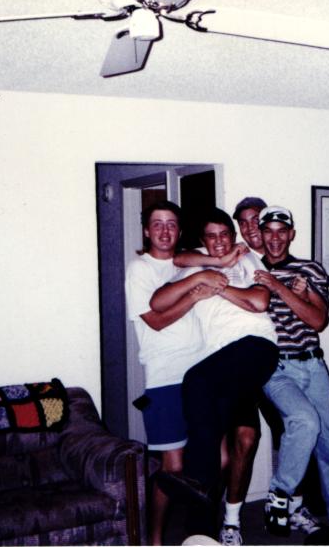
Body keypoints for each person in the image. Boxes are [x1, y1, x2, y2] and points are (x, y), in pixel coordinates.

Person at [151, 208, 279, 539]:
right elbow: (158, 301)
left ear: (232, 237)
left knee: (195, 380)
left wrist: (219, 286)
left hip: (256, 346)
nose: (219, 242)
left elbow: (259, 302)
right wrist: (202, 277)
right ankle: (201, 532)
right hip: (221, 361)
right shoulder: (194, 266)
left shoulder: (247, 259)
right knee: (208, 445)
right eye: (212, 236)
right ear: (203, 241)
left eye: (224, 235)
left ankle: (196, 482)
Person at [253, 205, 329, 536]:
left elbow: (318, 320)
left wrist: (282, 288)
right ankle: (280, 493)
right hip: (277, 367)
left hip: (313, 363)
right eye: (269, 231)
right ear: (260, 234)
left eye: (282, 231)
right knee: (304, 423)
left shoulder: (309, 269)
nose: (275, 238)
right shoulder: (251, 270)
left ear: (291, 234)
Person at [124, 200, 212, 545]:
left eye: (171, 224)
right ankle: (155, 539)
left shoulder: (188, 263)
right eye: (157, 224)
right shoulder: (140, 269)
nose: (164, 230)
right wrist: (193, 297)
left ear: (180, 230)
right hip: (165, 377)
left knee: (210, 459)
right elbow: (156, 321)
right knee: (172, 467)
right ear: (147, 231)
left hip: (201, 371)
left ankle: (199, 531)